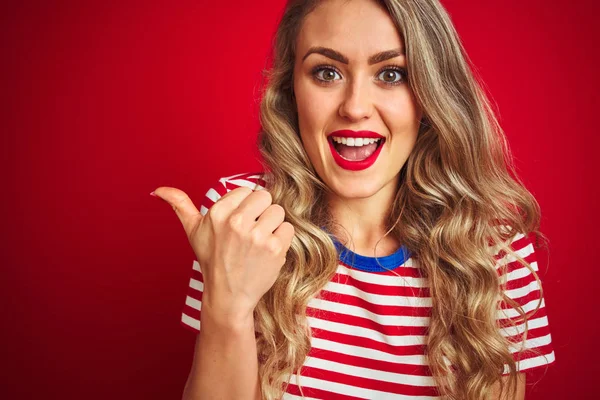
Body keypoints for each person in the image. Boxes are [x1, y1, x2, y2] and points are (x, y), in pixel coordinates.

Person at [152, 0, 555, 399]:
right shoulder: (242, 220)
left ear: (431, 95)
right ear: (291, 88)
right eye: (326, 73)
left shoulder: (492, 250)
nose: (355, 107)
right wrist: (228, 307)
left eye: (392, 74)